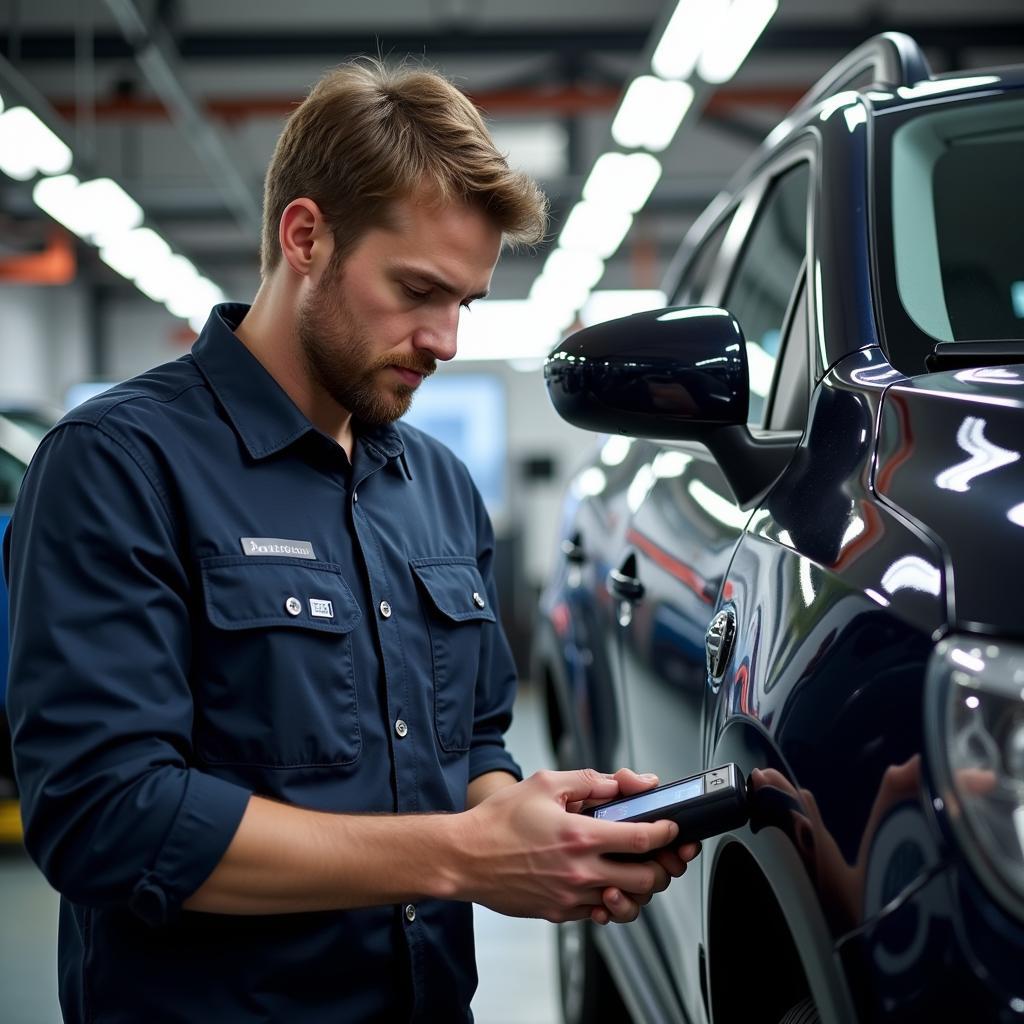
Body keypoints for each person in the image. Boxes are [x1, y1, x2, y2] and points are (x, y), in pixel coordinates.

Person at [3, 59, 700, 1022]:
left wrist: (528, 825)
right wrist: (466, 855)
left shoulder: (439, 489)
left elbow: (474, 740)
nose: (446, 339)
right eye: (418, 290)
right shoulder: (118, 464)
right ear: (306, 237)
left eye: (466, 303)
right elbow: (106, 818)